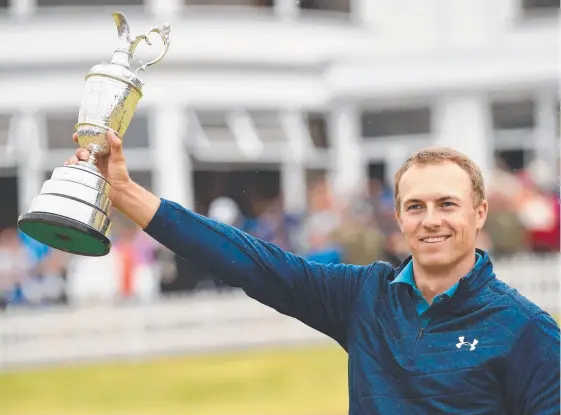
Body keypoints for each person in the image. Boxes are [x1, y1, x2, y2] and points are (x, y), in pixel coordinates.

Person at [65, 131, 560, 415]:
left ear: (479, 213)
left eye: (447, 204)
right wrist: (126, 192)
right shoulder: (363, 295)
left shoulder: (528, 331)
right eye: (415, 206)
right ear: (399, 216)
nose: (430, 219)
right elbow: (250, 263)